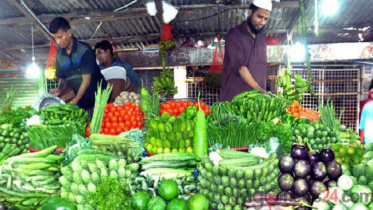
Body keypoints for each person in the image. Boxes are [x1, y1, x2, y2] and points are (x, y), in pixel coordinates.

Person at [48, 17, 106, 112]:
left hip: (99, 100)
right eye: (55, 38)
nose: (58, 42)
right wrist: (59, 89)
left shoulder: (84, 50)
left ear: (69, 32)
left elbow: (86, 81)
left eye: (60, 37)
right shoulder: (59, 56)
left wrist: (75, 101)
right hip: (82, 102)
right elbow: (63, 79)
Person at [219, 0, 271, 101]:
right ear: (250, 13)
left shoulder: (261, 38)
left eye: (266, 19)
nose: (263, 22)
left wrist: (262, 92)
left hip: (256, 104)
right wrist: (259, 89)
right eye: (260, 17)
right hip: (234, 101)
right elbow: (240, 67)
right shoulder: (234, 35)